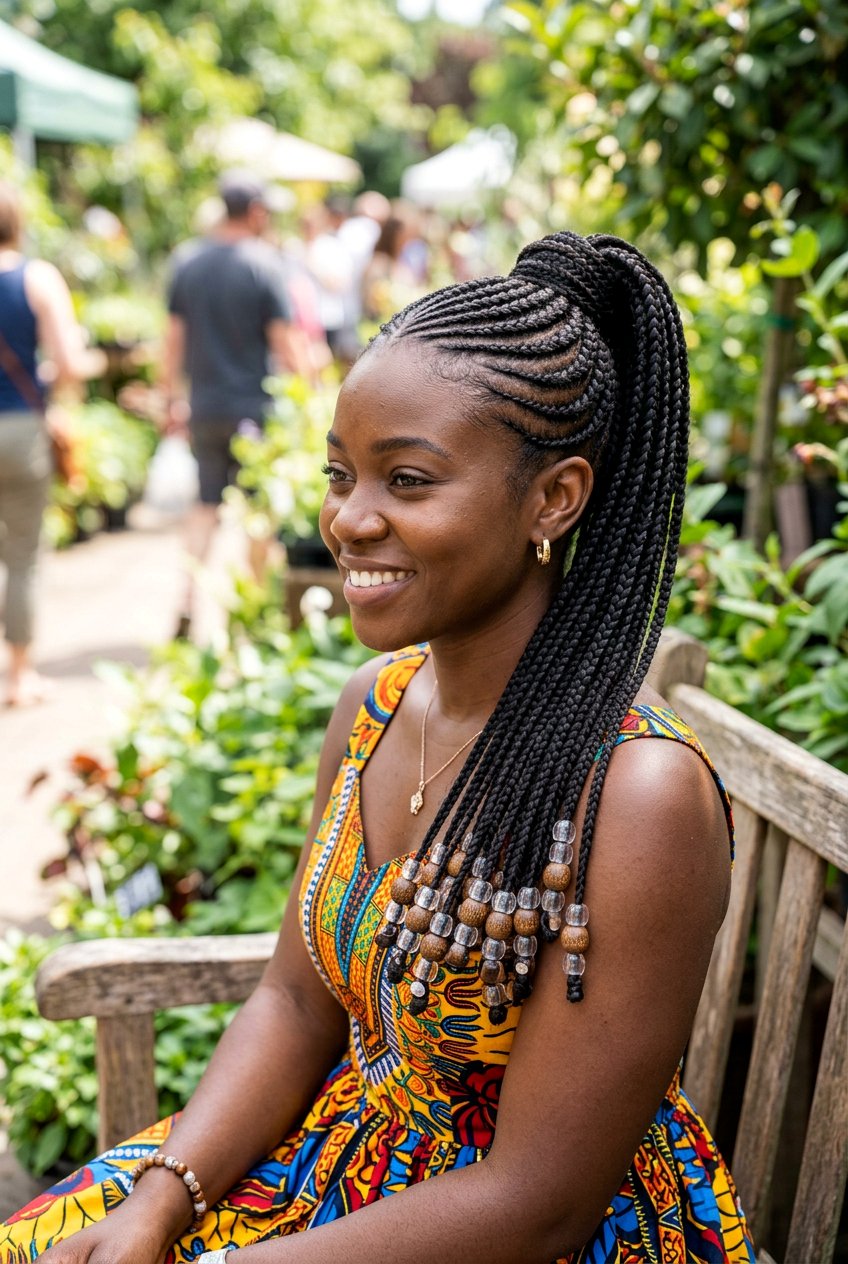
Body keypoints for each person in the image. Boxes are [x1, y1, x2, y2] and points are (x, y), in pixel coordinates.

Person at [0, 231, 755, 1263]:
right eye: (340, 473)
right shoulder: (378, 704)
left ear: (552, 498)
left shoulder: (637, 796)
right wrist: (160, 1199)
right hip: (347, 1171)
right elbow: (292, 998)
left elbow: (538, 1203)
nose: (348, 519)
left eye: (406, 480)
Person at [160, 171, 308, 637]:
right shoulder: (264, 265)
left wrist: (169, 399)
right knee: (256, 514)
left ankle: (187, 600)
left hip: (204, 407)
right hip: (254, 412)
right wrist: (312, 394)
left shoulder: (188, 262)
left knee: (205, 507)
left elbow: (172, 342)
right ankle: (253, 611)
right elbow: (285, 344)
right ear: (257, 212)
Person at [0, 182, 96, 706]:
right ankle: (18, 677)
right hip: (20, 430)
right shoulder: (36, 279)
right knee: (22, 554)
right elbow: (70, 362)